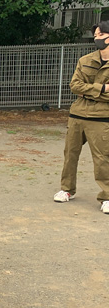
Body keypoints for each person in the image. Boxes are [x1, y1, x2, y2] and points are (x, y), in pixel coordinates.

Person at [53, 20, 109, 214]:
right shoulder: (85, 60)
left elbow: (82, 88)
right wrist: (102, 88)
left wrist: (88, 91)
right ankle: (67, 189)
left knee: (102, 158)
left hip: (102, 118)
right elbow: (75, 86)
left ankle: (106, 197)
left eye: (101, 35)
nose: (97, 38)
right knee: (70, 154)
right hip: (77, 115)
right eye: (95, 35)